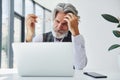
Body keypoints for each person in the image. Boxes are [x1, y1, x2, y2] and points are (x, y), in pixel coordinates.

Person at [25, 3, 87, 70]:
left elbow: (80, 66)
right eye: (57, 21)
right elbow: (27, 62)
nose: (59, 27)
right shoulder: (41, 39)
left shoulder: (76, 40)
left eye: (64, 24)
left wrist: (76, 32)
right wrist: (29, 35)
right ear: (53, 19)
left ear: (70, 24)